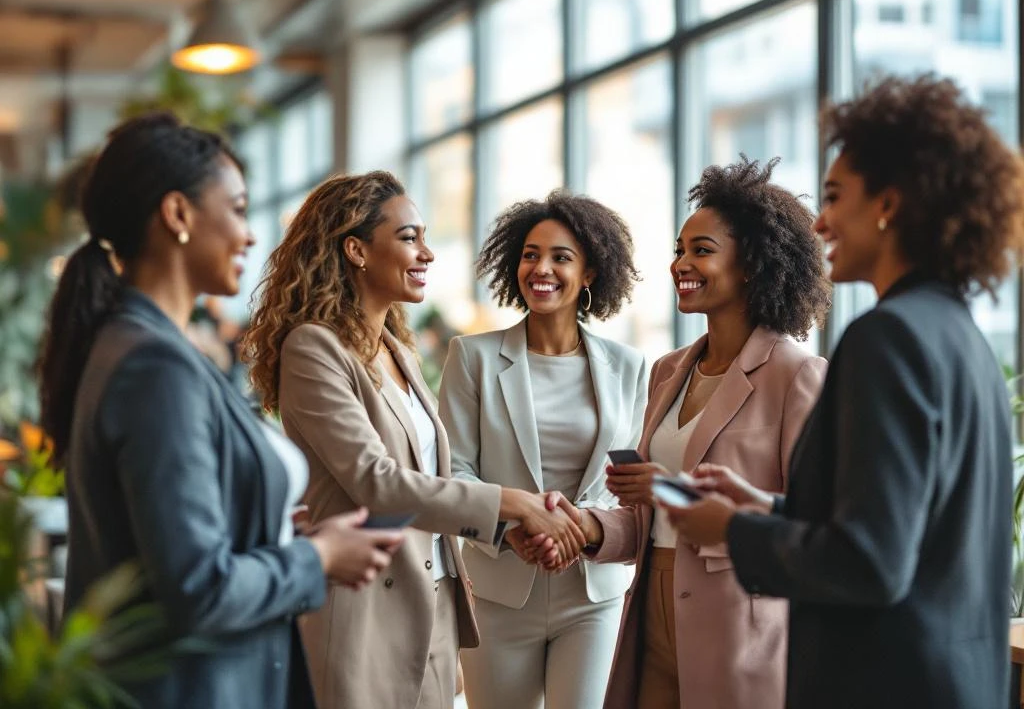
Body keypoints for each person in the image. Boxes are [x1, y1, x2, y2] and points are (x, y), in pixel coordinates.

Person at [665, 75, 1024, 709]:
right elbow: (905, 529)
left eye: (835, 196)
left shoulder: (887, 339)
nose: (822, 220)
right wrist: (765, 510)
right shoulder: (962, 338)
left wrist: (733, 530)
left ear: (889, 204)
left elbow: (870, 563)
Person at [39, 113, 402, 709]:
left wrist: (268, 530)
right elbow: (197, 588)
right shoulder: (154, 367)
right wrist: (316, 557)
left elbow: (163, 545)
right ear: (178, 214)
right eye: (236, 209)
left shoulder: (138, 347)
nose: (251, 234)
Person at [243, 171, 586, 709]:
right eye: (409, 238)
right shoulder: (313, 349)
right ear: (355, 249)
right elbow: (378, 483)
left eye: (424, 237)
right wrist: (513, 503)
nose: (426, 253)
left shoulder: (397, 350)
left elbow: (432, 475)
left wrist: (502, 527)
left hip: (433, 609)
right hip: (363, 612)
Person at [587, 156, 830, 709]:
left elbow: (807, 520)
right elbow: (646, 522)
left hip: (741, 624)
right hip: (652, 606)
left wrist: (668, 489)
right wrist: (587, 529)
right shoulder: (669, 370)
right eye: (679, 249)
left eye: (701, 250)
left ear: (751, 264)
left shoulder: (797, 375)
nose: (681, 263)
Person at [437, 190, 647, 709]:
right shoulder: (473, 357)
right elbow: (452, 471)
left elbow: (632, 480)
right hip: (499, 591)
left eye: (560, 257)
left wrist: (581, 531)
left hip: (593, 593)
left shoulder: (631, 367)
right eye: (531, 254)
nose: (541, 268)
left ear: (591, 273)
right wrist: (513, 531)